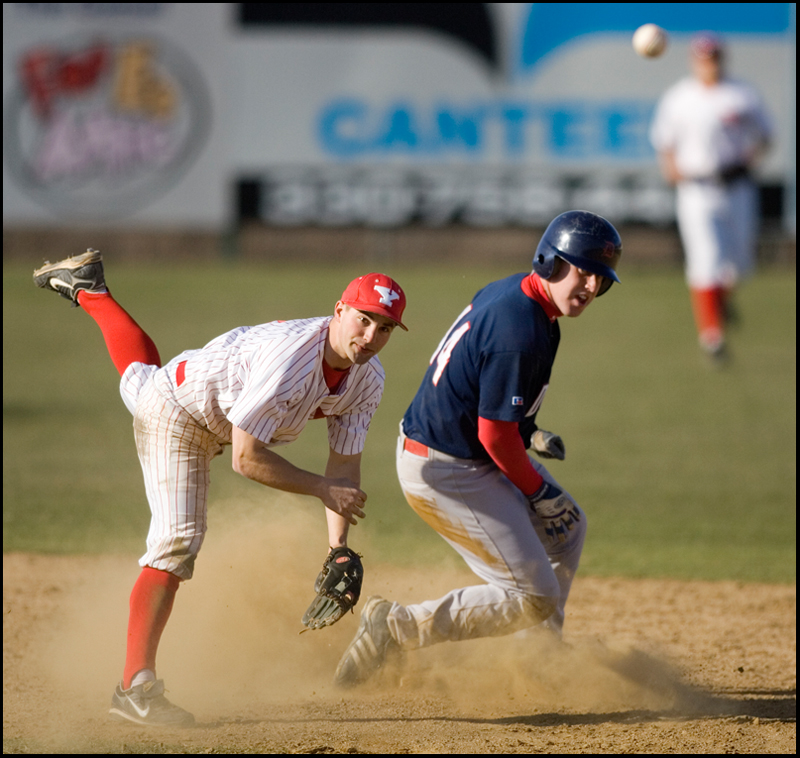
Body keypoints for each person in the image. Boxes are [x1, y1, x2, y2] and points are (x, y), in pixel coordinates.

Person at [33, 250, 407, 725]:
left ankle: (90, 289)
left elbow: (343, 468)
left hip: (203, 396)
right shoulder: (291, 360)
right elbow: (247, 460)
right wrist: (320, 490)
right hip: (182, 416)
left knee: (139, 377)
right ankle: (134, 688)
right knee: (177, 541)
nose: (372, 336)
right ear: (339, 310)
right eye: (364, 320)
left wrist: (338, 547)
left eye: (386, 327)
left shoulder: (368, 377)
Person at [333, 210, 622, 687]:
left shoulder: (520, 296)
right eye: (581, 271)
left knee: (567, 531)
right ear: (550, 262)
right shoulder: (521, 330)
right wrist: (536, 490)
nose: (590, 286)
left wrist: (527, 430)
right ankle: (395, 626)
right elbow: (492, 435)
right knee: (533, 595)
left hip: (465, 453)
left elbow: (487, 401)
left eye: (600, 278)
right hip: (446, 470)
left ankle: (539, 657)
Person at [649, 32, 773, 364]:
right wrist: (671, 168)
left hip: (737, 186)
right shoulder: (679, 98)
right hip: (697, 189)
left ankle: (721, 301)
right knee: (706, 261)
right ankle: (712, 337)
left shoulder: (741, 94)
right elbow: (665, 142)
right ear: (694, 61)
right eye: (704, 58)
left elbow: (765, 136)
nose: (709, 63)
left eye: (714, 57)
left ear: (722, 58)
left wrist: (752, 157)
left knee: (740, 266)